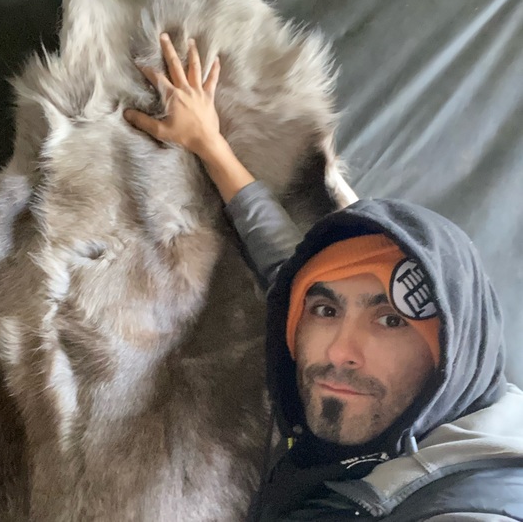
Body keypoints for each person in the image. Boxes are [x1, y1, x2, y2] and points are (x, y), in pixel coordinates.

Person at [124, 33, 523, 521]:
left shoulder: (476, 500)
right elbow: (286, 266)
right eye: (326, 310)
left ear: (454, 349)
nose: (339, 351)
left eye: (391, 321)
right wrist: (209, 144)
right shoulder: (455, 403)